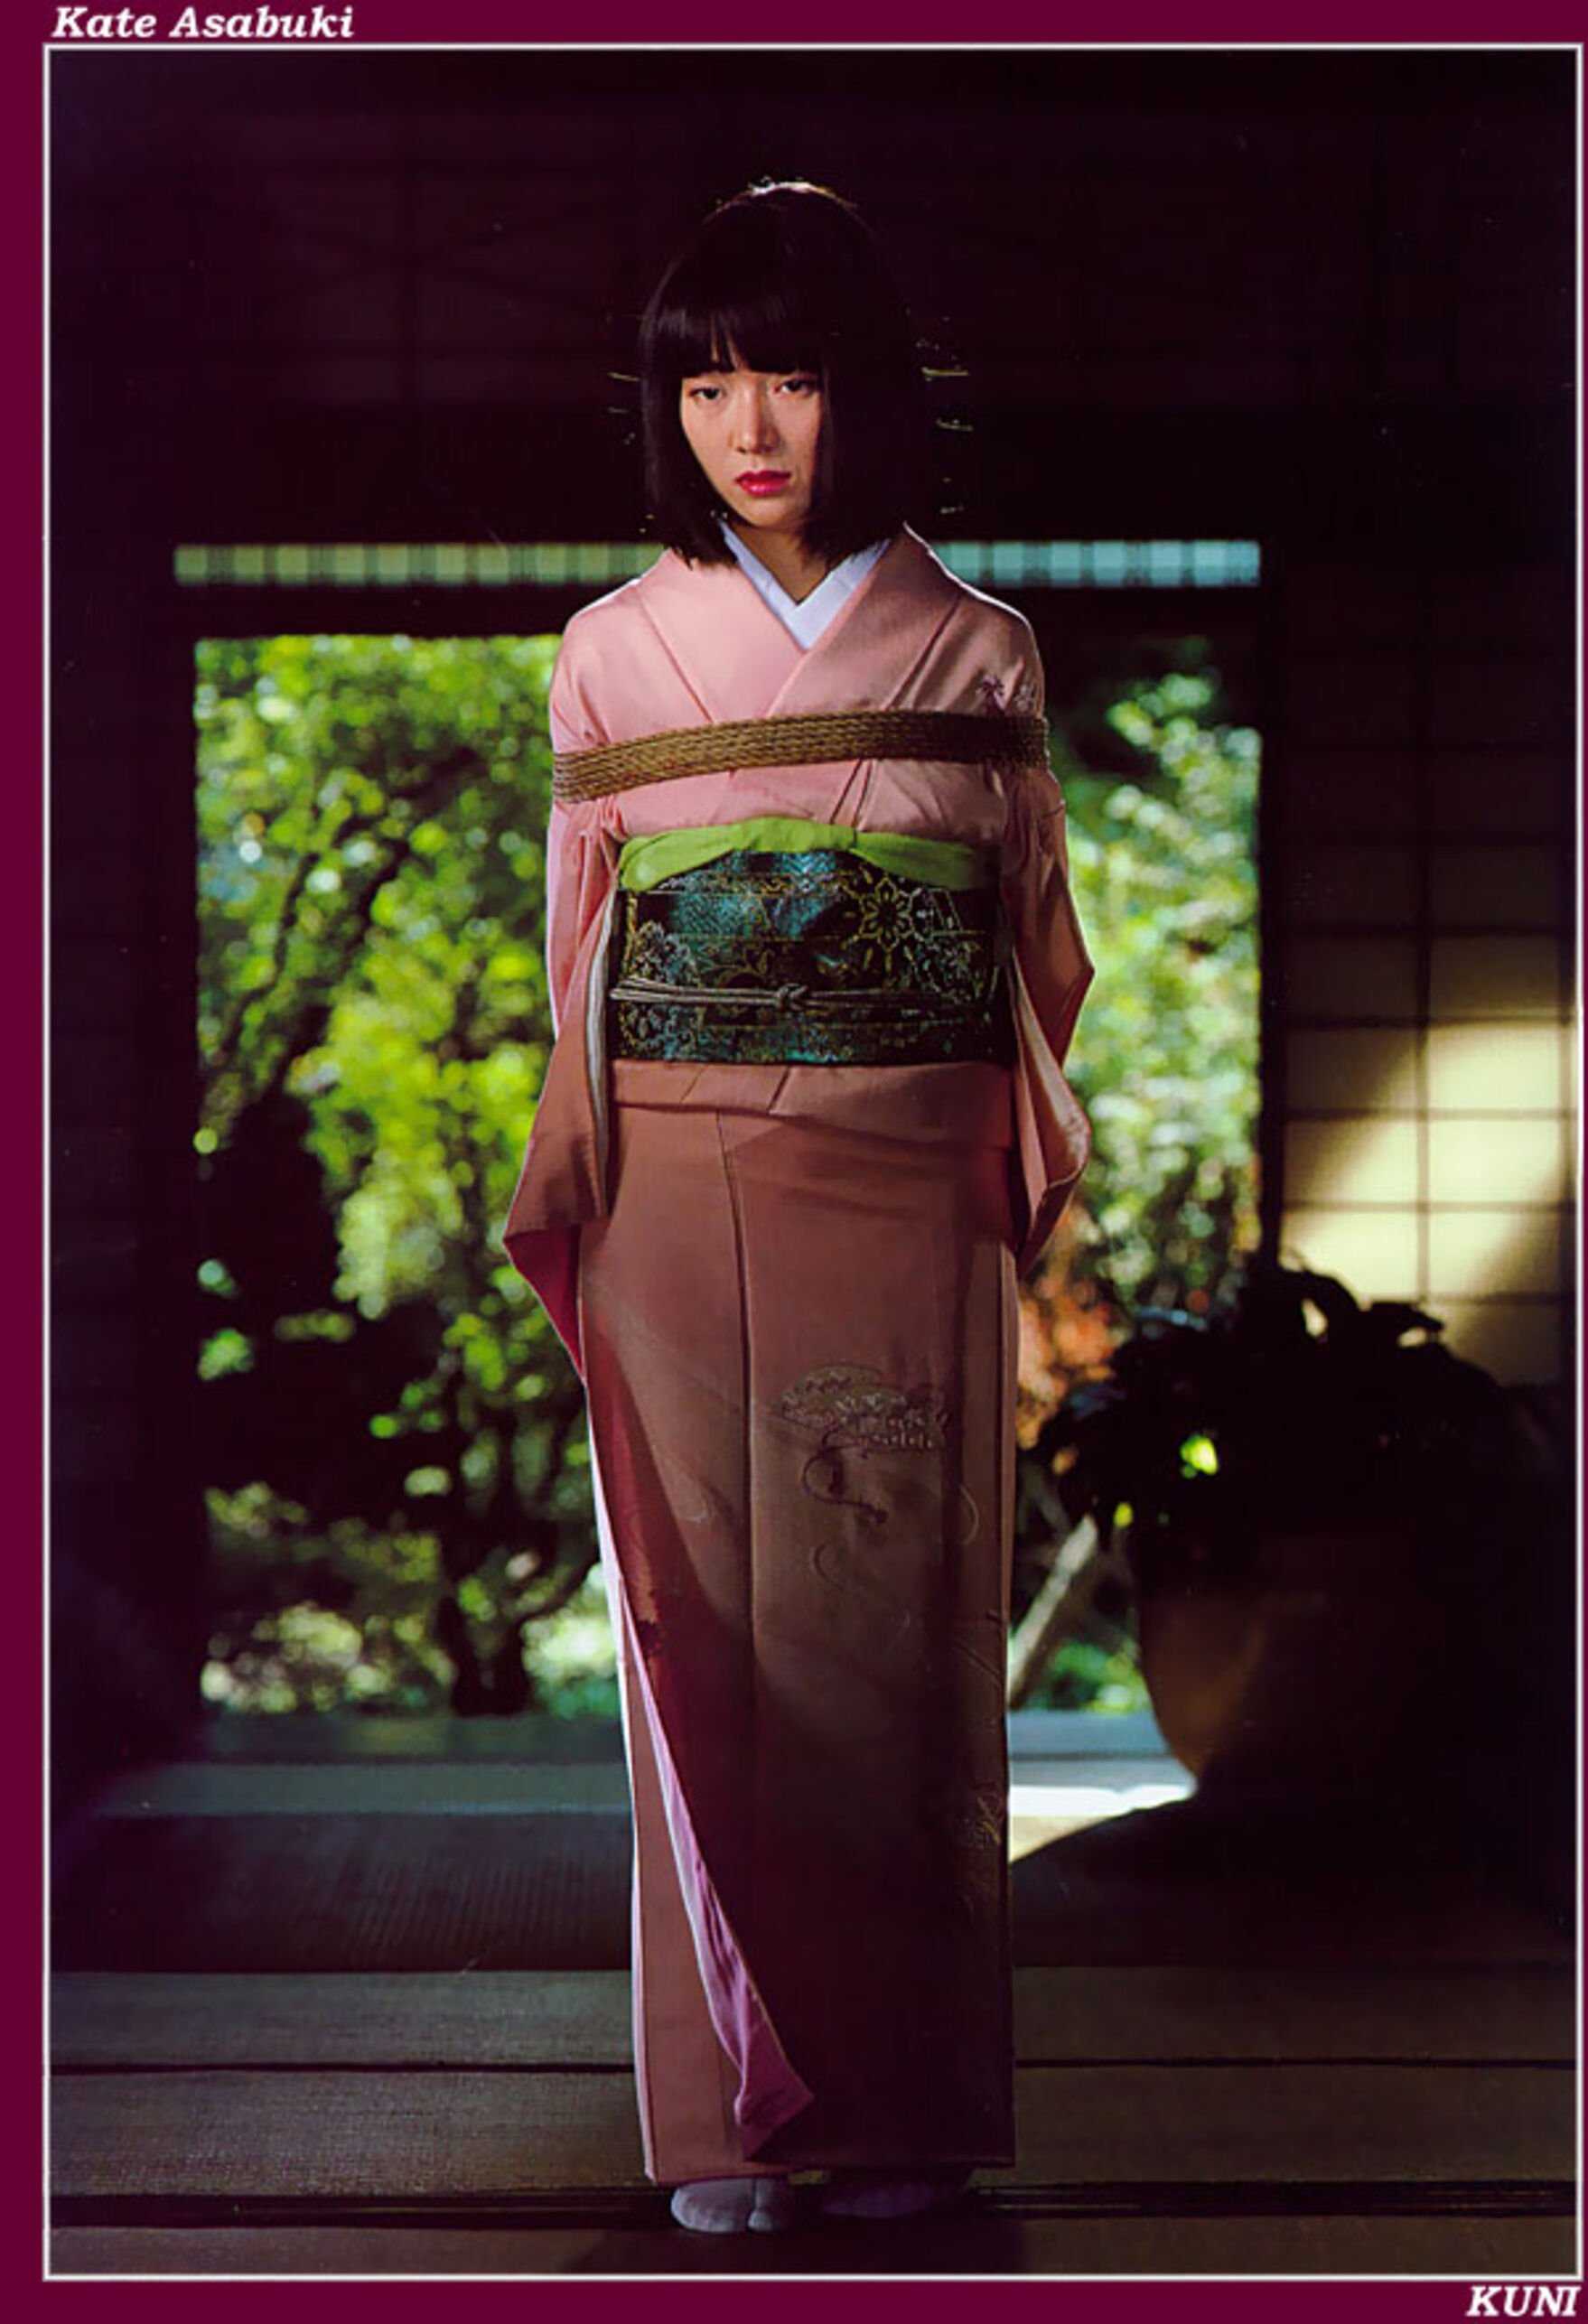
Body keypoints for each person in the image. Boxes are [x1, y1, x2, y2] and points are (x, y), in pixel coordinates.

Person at [504, 181, 1092, 2235]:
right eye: (707, 387)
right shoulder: (610, 651)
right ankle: (732, 2116)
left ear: (873, 394)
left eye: (796, 378)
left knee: (902, 1633)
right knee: (709, 1631)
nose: (748, 429)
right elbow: (581, 947)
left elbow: (1031, 944)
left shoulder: (981, 644)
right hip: (677, 1171)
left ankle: (906, 2106)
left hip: (907, 1176)